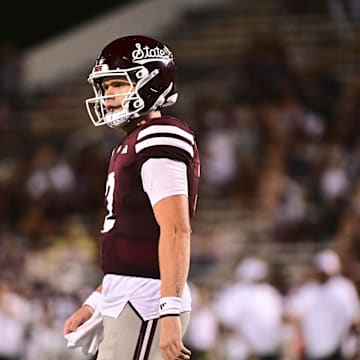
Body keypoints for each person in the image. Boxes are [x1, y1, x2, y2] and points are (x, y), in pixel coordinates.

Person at [63, 35, 200, 360]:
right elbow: (128, 239)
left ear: (150, 83)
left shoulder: (159, 136)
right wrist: (96, 301)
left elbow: (176, 230)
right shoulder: (131, 143)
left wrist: (169, 311)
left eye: (115, 85)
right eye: (105, 87)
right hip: (128, 294)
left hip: (147, 298)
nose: (107, 96)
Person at [285, 249, 360, 360]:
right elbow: (293, 316)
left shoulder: (342, 288)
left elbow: (355, 320)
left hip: (337, 349)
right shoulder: (309, 290)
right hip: (314, 350)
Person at [214, 257, 284, 360]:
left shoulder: (269, 292)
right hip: (243, 351)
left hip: (267, 349)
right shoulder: (235, 292)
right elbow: (227, 322)